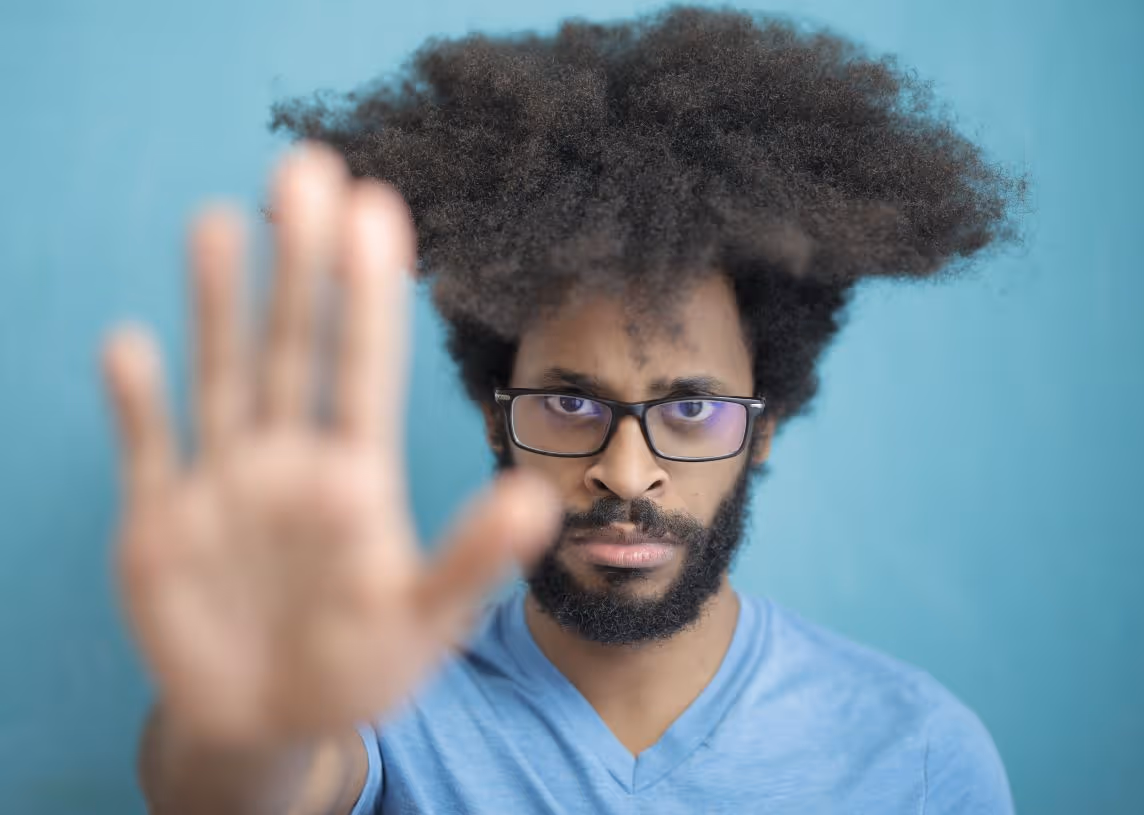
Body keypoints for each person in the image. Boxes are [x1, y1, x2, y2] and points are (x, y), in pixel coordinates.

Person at [100, 6, 1024, 814]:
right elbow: (238, 793)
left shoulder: (918, 754)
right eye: (572, 401)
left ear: (765, 425)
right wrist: (246, 720)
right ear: (494, 411)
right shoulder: (378, 692)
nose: (625, 473)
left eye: (691, 409)